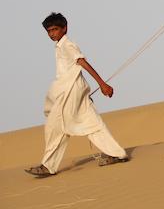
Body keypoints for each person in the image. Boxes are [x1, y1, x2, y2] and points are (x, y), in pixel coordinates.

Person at [24, 12, 129, 177]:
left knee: (55, 126)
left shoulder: (68, 45)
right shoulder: (60, 46)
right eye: (49, 31)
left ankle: (48, 166)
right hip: (73, 89)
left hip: (71, 91)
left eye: (55, 29)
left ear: (64, 28)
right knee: (92, 122)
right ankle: (117, 153)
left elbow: (82, 62)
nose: (52, 33)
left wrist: (102, 84)